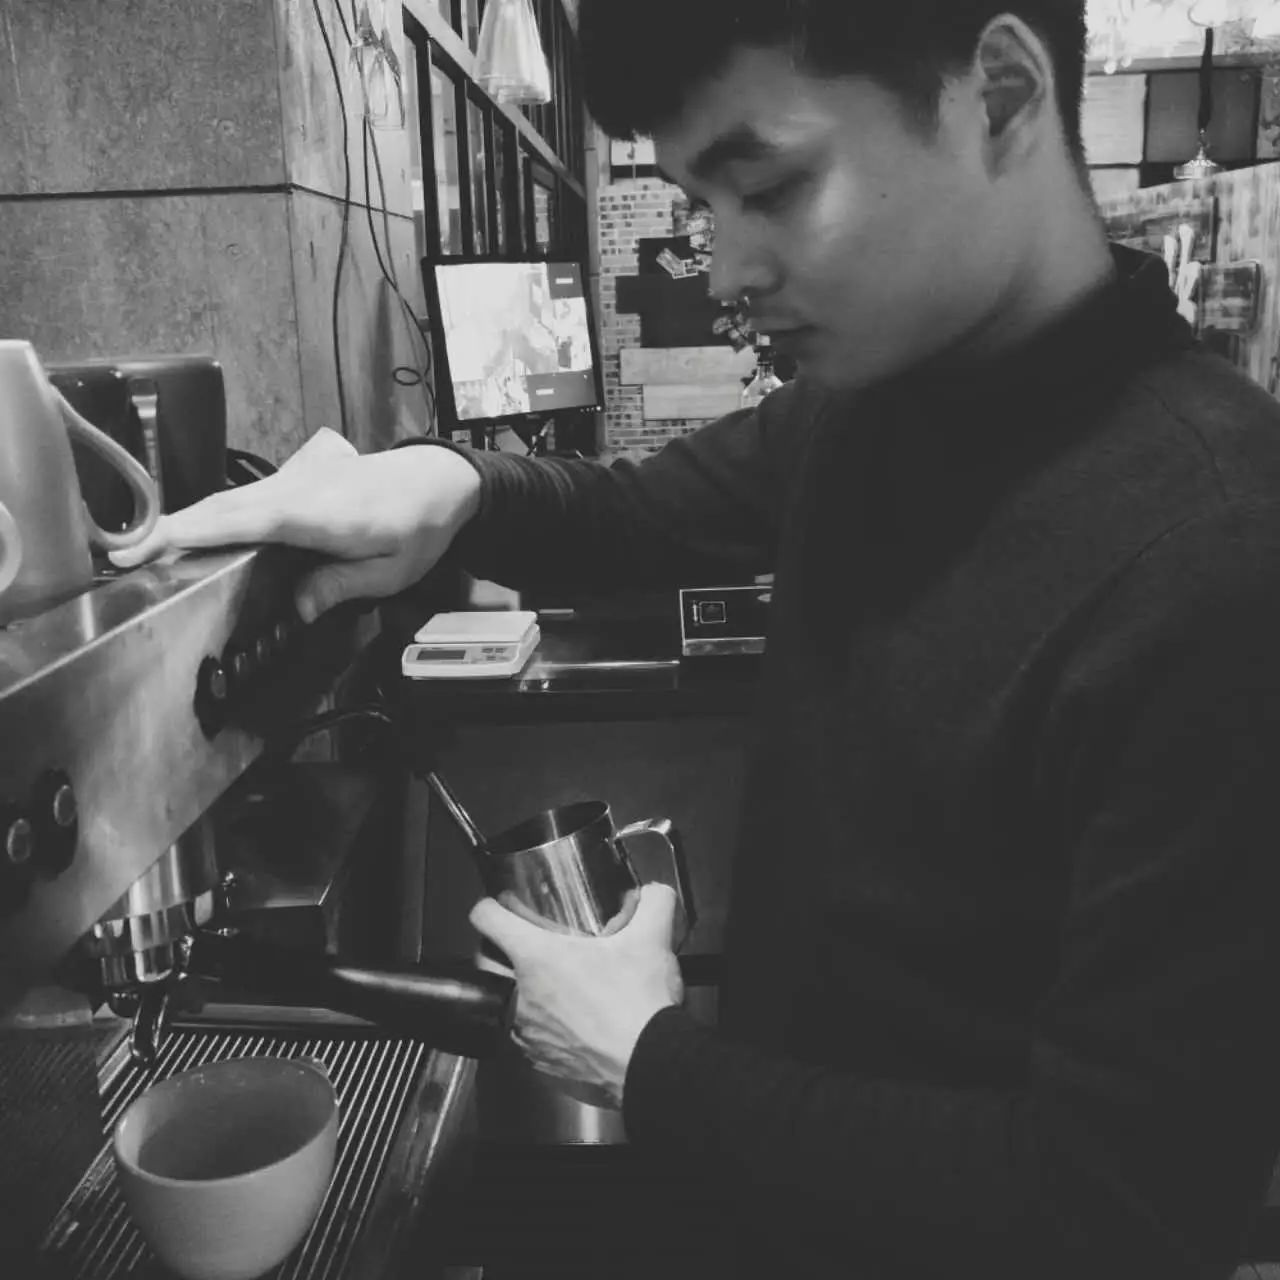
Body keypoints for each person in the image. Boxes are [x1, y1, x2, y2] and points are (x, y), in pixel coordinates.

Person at [114, 2, 1280, 1275]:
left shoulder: (1214, 550)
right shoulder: (876, 407)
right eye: (699, 205)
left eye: (768, 186)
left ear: (996, 95)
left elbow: (1119, 1206)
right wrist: (445, 485)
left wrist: (643, 1060)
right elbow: (633, 514)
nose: (724, 273)